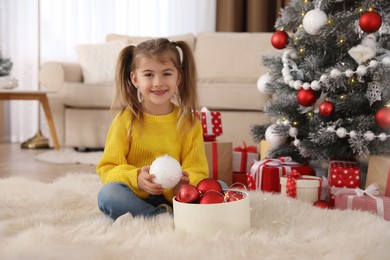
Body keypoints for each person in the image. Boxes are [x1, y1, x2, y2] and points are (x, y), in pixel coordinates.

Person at [96, 38, 209, 220]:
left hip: (177, 197)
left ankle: (169, 212)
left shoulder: (189, 123)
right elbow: (107, 169)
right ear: (135, 79)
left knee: (217, 186)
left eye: (166, 74)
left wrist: (183, 184)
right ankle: (160, 217)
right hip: (135, 196)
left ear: (178, 77)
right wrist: (137, 178)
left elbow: (198, 171)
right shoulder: (125, 120)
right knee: (107, 195)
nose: (158, 82)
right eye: (148, 75)